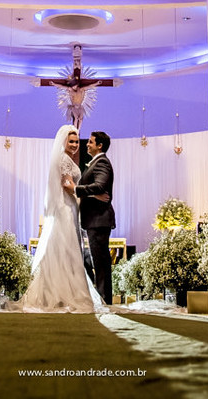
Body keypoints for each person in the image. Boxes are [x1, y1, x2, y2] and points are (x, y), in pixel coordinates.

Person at [14, 124, 104, 312]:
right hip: (65, 207)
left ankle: (60, 292)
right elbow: (67, 186)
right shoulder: (64, 159)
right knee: (66, 249)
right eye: (70, 141)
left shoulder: (65, 159)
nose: (74, 145)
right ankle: (64, 293)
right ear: (63, 142)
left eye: (76, 141)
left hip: (69, 207)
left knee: (64, 249)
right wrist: (91, 196)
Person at [70, 130, 115, 305]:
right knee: (98, 261)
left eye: (90, 142)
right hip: (95, 220)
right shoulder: (96, 162)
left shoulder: (102, 162)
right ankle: (102, 297)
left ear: (99, 146)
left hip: (99, 219)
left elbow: (101, 185)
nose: (86, 144)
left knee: (101, 262)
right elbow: (97, 189)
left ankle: (104, 299)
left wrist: (77, 189)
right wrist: (93, 195)